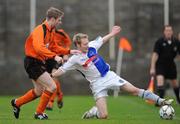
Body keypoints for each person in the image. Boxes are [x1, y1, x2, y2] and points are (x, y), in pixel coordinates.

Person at [52, 26, 173, 119]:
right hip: (96, 84)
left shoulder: (92, 46)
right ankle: (95, 112)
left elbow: (102, 40)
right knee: (104, 116)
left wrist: (113, 33)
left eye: (87, 42)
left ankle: (161, 101)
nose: (87, 45)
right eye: (84, 44)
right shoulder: (74, 59)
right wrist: (53, 69)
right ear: (77, 45)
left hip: (109, 76)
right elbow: (59, 73)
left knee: (134, 90)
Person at [11, 7, 80, 120]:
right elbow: (39, 48)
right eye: (59, 19)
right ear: (52, 19)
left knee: (39, 91)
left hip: (37, 62)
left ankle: (17, 103)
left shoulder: (50, 30)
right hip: (32, 62)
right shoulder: (40, 29)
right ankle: (39, 113)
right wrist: (54, 56)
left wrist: (69, 51)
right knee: (52, 86)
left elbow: (53, 46)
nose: (60, 22)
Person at [150, 25, 180, 105]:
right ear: (164, 32)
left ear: (172, 32)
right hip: (160, 65)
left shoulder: (176, 42)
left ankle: (178, 99)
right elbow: (155, 55)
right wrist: (152, 67)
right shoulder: (159, 41)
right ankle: (160, 101)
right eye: (167, 30)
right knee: (160, 80)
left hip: (171, 65)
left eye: (170, 30)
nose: (168, 32)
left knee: (175, 83)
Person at [46, 29, 72, 110]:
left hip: (58, 58)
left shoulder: (60, 32)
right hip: (47, 57)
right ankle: (59, 94)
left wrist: (65, 54)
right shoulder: (43, 33)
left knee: (53, 78)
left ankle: (51, 101)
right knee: (49, 80)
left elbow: (68, 42)